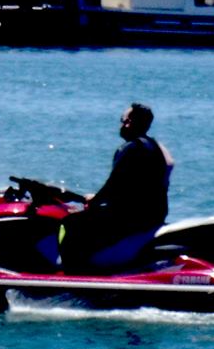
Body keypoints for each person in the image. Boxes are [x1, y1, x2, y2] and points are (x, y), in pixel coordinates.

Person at [60, 103, 173, 272]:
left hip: (132, 216)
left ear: (130, 122)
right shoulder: (154, 146)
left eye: (123, 120)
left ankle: (75, 272)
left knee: (71, 223)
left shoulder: (131, 148)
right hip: (153, 214)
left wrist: (96, 201)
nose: (121, 125)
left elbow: (115, 184)